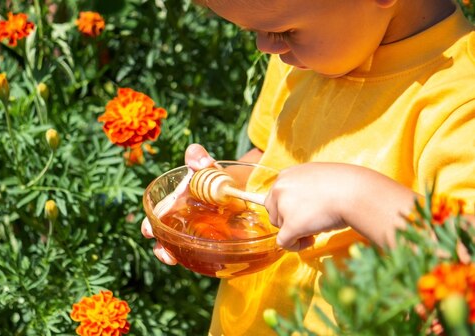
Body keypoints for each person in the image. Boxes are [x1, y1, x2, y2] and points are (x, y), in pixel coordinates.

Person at [141, 0, 475, 334]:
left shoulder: (461, 98)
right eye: (255, 31)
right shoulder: (300, 55)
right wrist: (215, 192)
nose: (264, 45)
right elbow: (268, 159)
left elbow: (465, 256)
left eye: (282, 30)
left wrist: (354, 197)